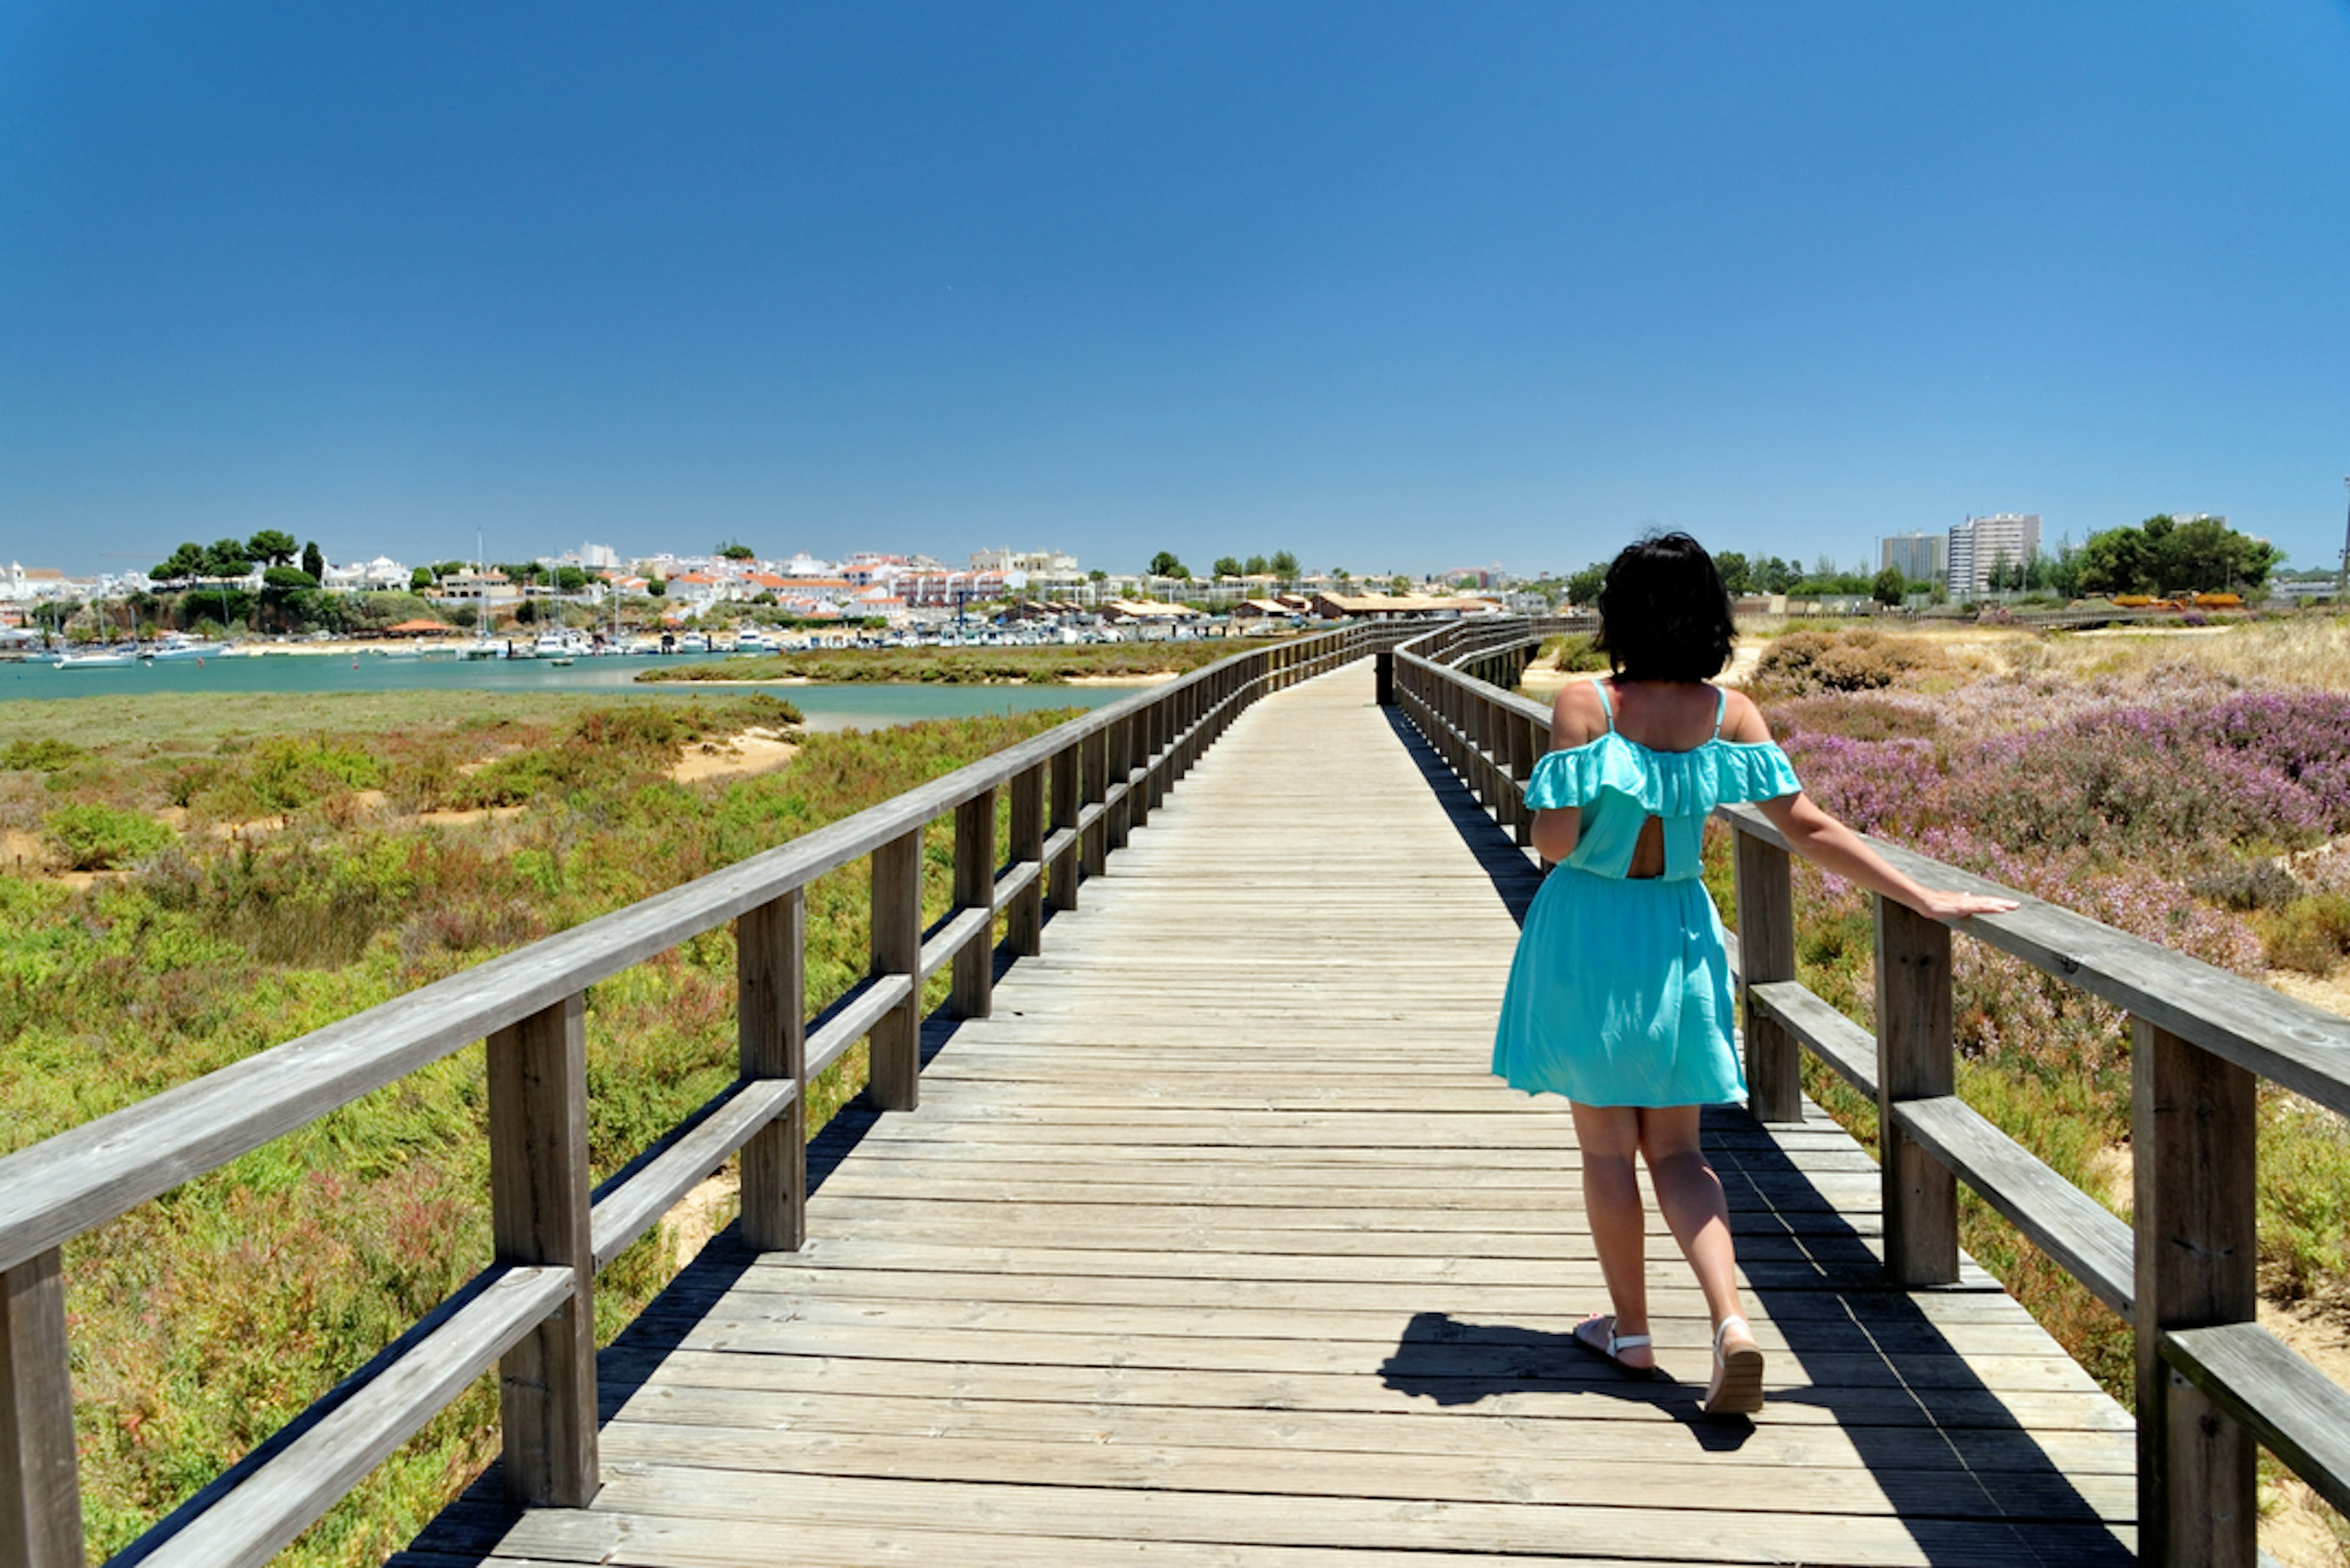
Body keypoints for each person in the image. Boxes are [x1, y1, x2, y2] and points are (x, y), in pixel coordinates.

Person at [1491, 533, 2015, 1417]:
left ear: (1619, 612)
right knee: (1683, 1151)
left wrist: (1563, 789)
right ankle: (1731, 1322)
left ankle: (1632, 1330)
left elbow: (1552, 844)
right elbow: (1806, 824)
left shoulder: (1588, 701)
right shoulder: (1731, 713)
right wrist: (1920, 893)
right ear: (1709, 613)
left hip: (1591, 933)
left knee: (1607, 1153)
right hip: (1676, 931)